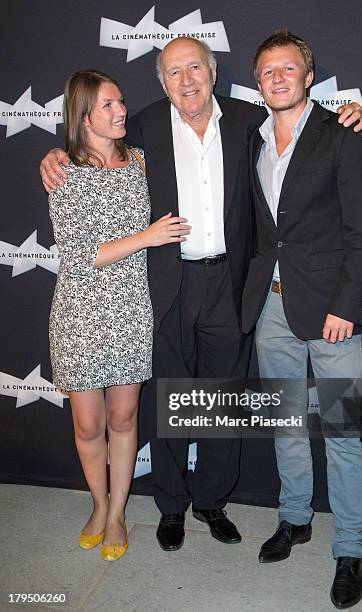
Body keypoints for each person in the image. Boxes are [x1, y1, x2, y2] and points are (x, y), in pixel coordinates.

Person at [40, 38, 362, 553]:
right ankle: (171, 505)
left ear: (213, 72)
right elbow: (90, 146)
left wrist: (353, 112)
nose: (187, 80)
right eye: (174, 72)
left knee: (222, 399)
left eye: (195, 67)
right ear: (162, 82)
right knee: (173, 397)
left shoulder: (248, 121)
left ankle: (212, 501)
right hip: (167, 283)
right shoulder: (142, 126)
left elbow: (308, 130)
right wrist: (55, 152)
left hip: (231, 284)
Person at [242, 30, 362, 609]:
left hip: (331, 313)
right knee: (286, 423)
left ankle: (349, 546)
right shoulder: (252, 139)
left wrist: (346, 307)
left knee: (343, 430)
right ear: (257, 81)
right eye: (267, 70)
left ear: (308, 74)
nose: (277, 78)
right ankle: (295, 518)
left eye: (287, 68)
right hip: (272, 306)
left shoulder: (342, 134)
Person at [48, 69, 189, 561]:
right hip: (81, 314)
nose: (121, 110)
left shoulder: (142, 162)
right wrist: (147, 237)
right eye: (108, 105)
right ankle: (98, 501)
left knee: (124, 416)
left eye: (121, 101)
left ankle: (116, 513)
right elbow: (78, 254)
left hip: (131, 309)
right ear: (83, 115)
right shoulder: (64, 172)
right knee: (88, 425)